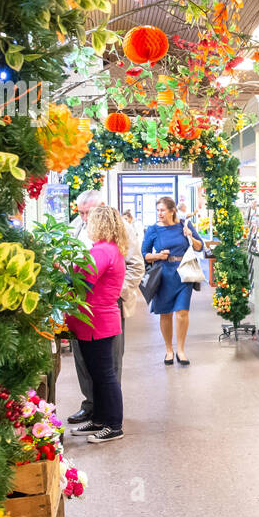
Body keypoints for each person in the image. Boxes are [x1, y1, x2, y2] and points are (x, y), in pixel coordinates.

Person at [67, 190, 143, 426]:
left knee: (107, 364)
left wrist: (113, 292)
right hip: (83, 307)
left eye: (87, 213)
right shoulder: (77, 227)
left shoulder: (118, 231)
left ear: (101, 208)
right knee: (84, 360)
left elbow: (136, 266)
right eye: (80, 213)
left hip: (104, 306)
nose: (84, 218)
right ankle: (93, 407)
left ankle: (108, 414)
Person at [67, 206, 127, 444]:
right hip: (96, 320)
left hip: (96, 321)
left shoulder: (102, 252)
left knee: (104, 375)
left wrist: (63, 272)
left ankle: (113, 425)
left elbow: (82, 282)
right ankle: (100, 419)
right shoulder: (107, 250)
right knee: (98, 374)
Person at [142, 195, 204, 365]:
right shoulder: (153, 229)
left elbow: (200, 247)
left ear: (172, 211)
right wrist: (158, 255)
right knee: (165, 313)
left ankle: (181, 350)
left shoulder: (185, 224)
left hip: (184, 273)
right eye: (158, 211)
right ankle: (169, 349)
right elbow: (144, 254)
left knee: (183, 312)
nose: (159, 213)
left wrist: (190, 236)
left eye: (162, 210)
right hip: (163, 274)